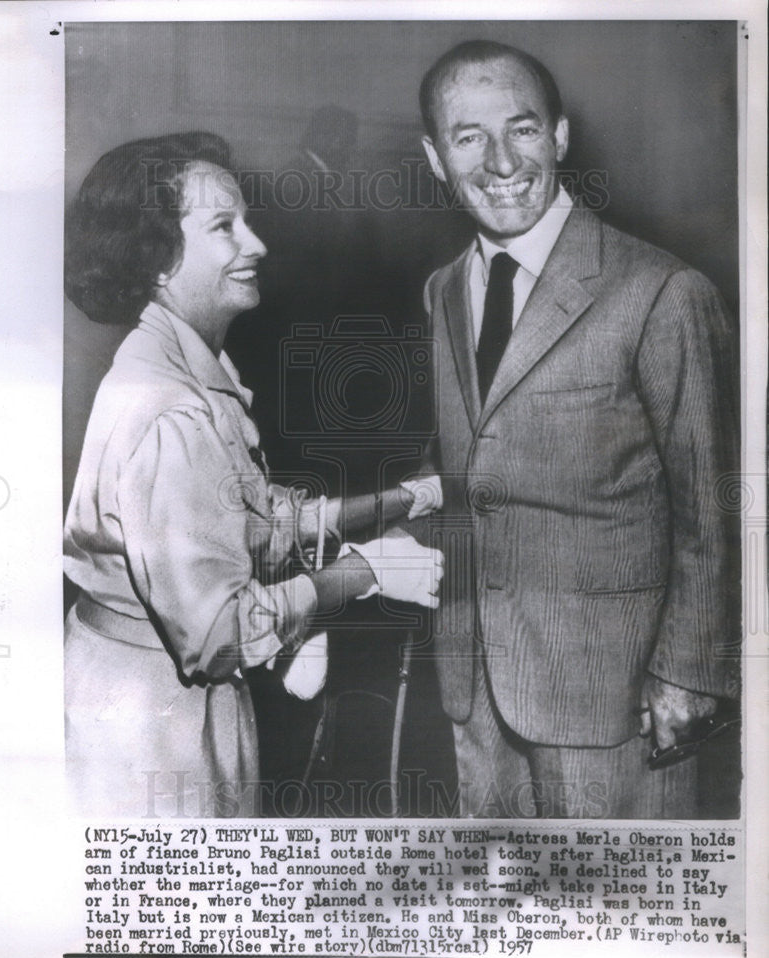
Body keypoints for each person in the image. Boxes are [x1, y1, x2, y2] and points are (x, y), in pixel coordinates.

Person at [63, 131, 443, 818]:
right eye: (223, 226)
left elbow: (250, 523)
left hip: (159, 698)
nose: (256, 243)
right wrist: (369, 572)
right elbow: (218, 637)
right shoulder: (172, 413)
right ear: (157, 258)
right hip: (153, 723)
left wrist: (401, 498)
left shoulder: (181, 368)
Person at [417, 41, 739, 818]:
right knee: (499, 922)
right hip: (474, 685)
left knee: (614, 925)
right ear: (434, 158)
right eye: (467, 137)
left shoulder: (661, 292)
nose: (499, 162)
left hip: (614, 701)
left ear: (559, 138)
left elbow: (714, 507)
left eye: (521, 130)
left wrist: (689, 675)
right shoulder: (441, 291)